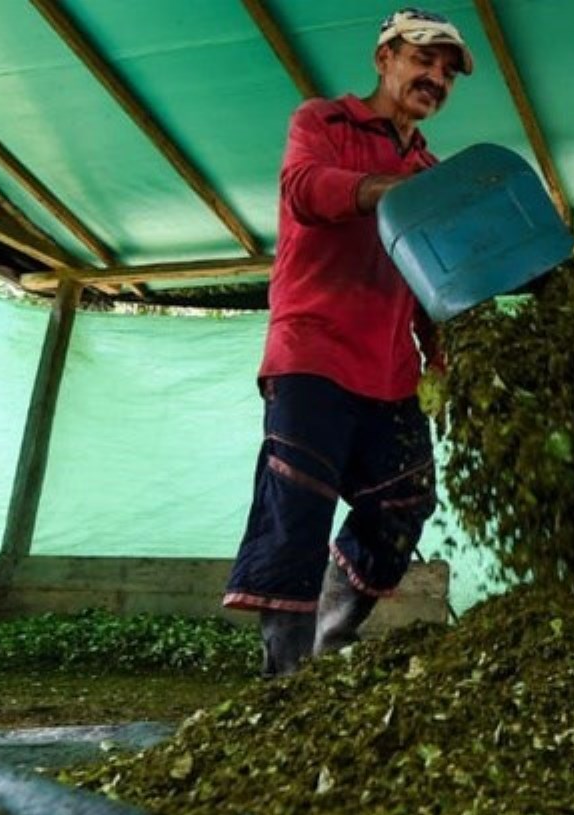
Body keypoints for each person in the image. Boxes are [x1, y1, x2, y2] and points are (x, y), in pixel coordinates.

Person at [222, 8, 475, 676]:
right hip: (314, 352)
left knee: (406, 501)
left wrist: (444, 355)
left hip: (391, 370)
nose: (437, 78)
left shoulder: (431, 169)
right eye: (424, 60)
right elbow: (304, 190)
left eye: (448, 72)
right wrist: (385, 191)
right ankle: (285, 678)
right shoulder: (323, 122)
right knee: (298, 506)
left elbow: (432, 276)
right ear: (384, 58)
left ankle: (330, 637)